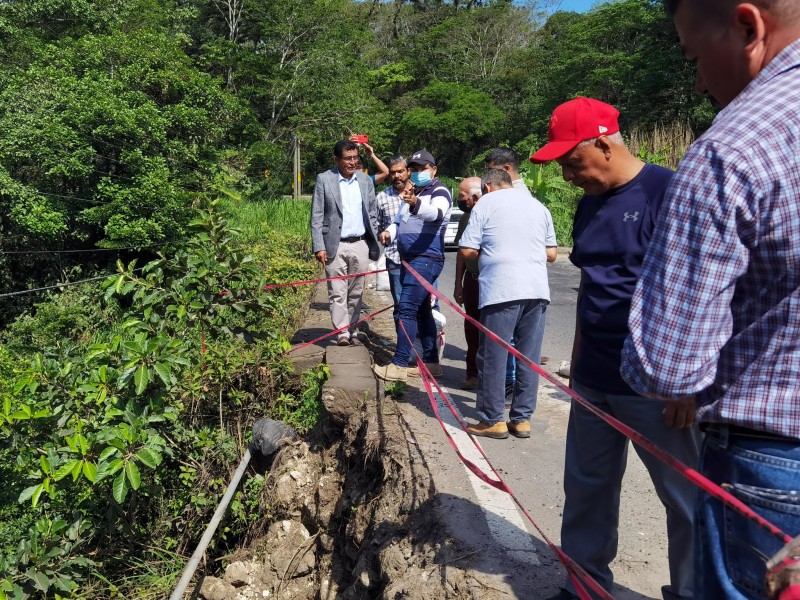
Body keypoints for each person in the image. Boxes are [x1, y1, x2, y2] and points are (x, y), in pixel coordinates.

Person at [619, 2, 800, 599]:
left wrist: (670, 376)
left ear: (749, 27)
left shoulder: (735, 148)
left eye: (696, 57)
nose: (697, 82)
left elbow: (667, 363)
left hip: (771, 465)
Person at [531, 97, 700, 600]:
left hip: (656, 385)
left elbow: (699, 291)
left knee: (686, 498)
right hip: (593, 379)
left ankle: (692, 591)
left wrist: (686, 383)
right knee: (586, 489)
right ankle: (584, 586)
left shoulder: (667, 193)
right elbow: (591, 289)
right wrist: (577, 365)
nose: (565, 174)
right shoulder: (590, 204)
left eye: (570, 160)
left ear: (603, 142)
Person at [459, 169, 556, 439]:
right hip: (536, 291)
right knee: (528, 357)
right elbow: (552, 254)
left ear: (487, 187)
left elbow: (467, 250)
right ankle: (522, 419)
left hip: (502, 290)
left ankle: (492, 419)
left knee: (493, 355)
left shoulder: (486, 203)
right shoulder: (537, 205)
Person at [372, 150, 452, 382]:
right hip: (409, 259)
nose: (418, 173)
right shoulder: (414, 192)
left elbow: (435, 213)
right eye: (414, 169)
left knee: (405, 309)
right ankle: (431, 362)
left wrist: (416, 202)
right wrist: (388, 232)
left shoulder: (439, 191)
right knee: (420, 310)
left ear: (434, 170)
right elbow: (399, 221)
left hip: (427, 258)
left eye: (422, 169)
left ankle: (398, 365)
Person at [485, 147, 557, 391]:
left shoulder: (516, 200)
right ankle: (518, 406)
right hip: (531, 286)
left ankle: (506, 389)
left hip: (509, 285)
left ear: (505, 170)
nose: (488, 181)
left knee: (507, 347)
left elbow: (549, 252)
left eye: (491, 173)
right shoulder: (530, 202)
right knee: (521, 347)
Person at [310, 139, 380, 346]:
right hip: (334, 243)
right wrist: (319, 246)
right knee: (337, 291)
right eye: (348, 158)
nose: (352, 162)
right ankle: (342, 332)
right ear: (336, 159)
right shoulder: (325, 179)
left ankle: (353, 328)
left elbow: (372, 212)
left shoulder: (364, 181)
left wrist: (373, 238)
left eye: (355, 158)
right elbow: (316, 215)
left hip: (360, 243)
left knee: (356, 290)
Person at [453, 177, 483, 390]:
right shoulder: (466, 217)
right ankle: (472, 373)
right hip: (472, 281)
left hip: (492, 282)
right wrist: (458, 283)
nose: (459, 201)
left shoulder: (494, 214)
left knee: (493, 330)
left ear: (475, 196)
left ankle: (496, 376)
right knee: (472, 328)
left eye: (462, 197)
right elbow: (462, 253)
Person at [375, 155, 411, 310]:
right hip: (394, 257)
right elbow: (378, 226)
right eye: (392, 172)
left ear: (408, 171)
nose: (396, 176)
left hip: (419, 259)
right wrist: (383, 236)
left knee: (426, 304)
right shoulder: (382, 197)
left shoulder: (421, 191)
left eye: (400, 171)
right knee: (399, 302)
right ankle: (402, 334)